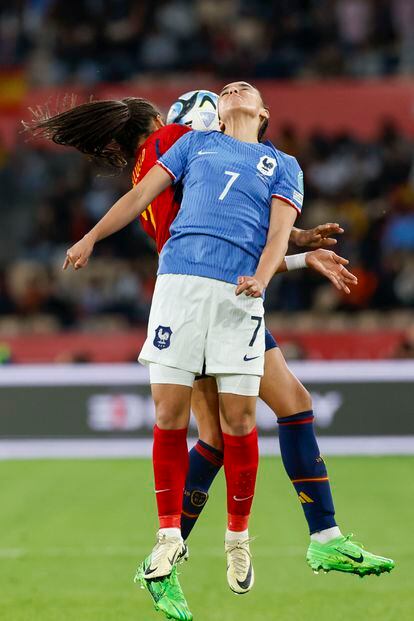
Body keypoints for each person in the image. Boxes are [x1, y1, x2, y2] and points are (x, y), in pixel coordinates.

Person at [26, 87, 393, 621]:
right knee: (259, 420)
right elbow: (225, 227)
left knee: (247, 425)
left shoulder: (169, 167)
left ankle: (198, 550)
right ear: (170, 121)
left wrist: (294, 242)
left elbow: (229, 221)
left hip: (209, 288)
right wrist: (293, 251)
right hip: (207, 291)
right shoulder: (184, 144)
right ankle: (292, 537)